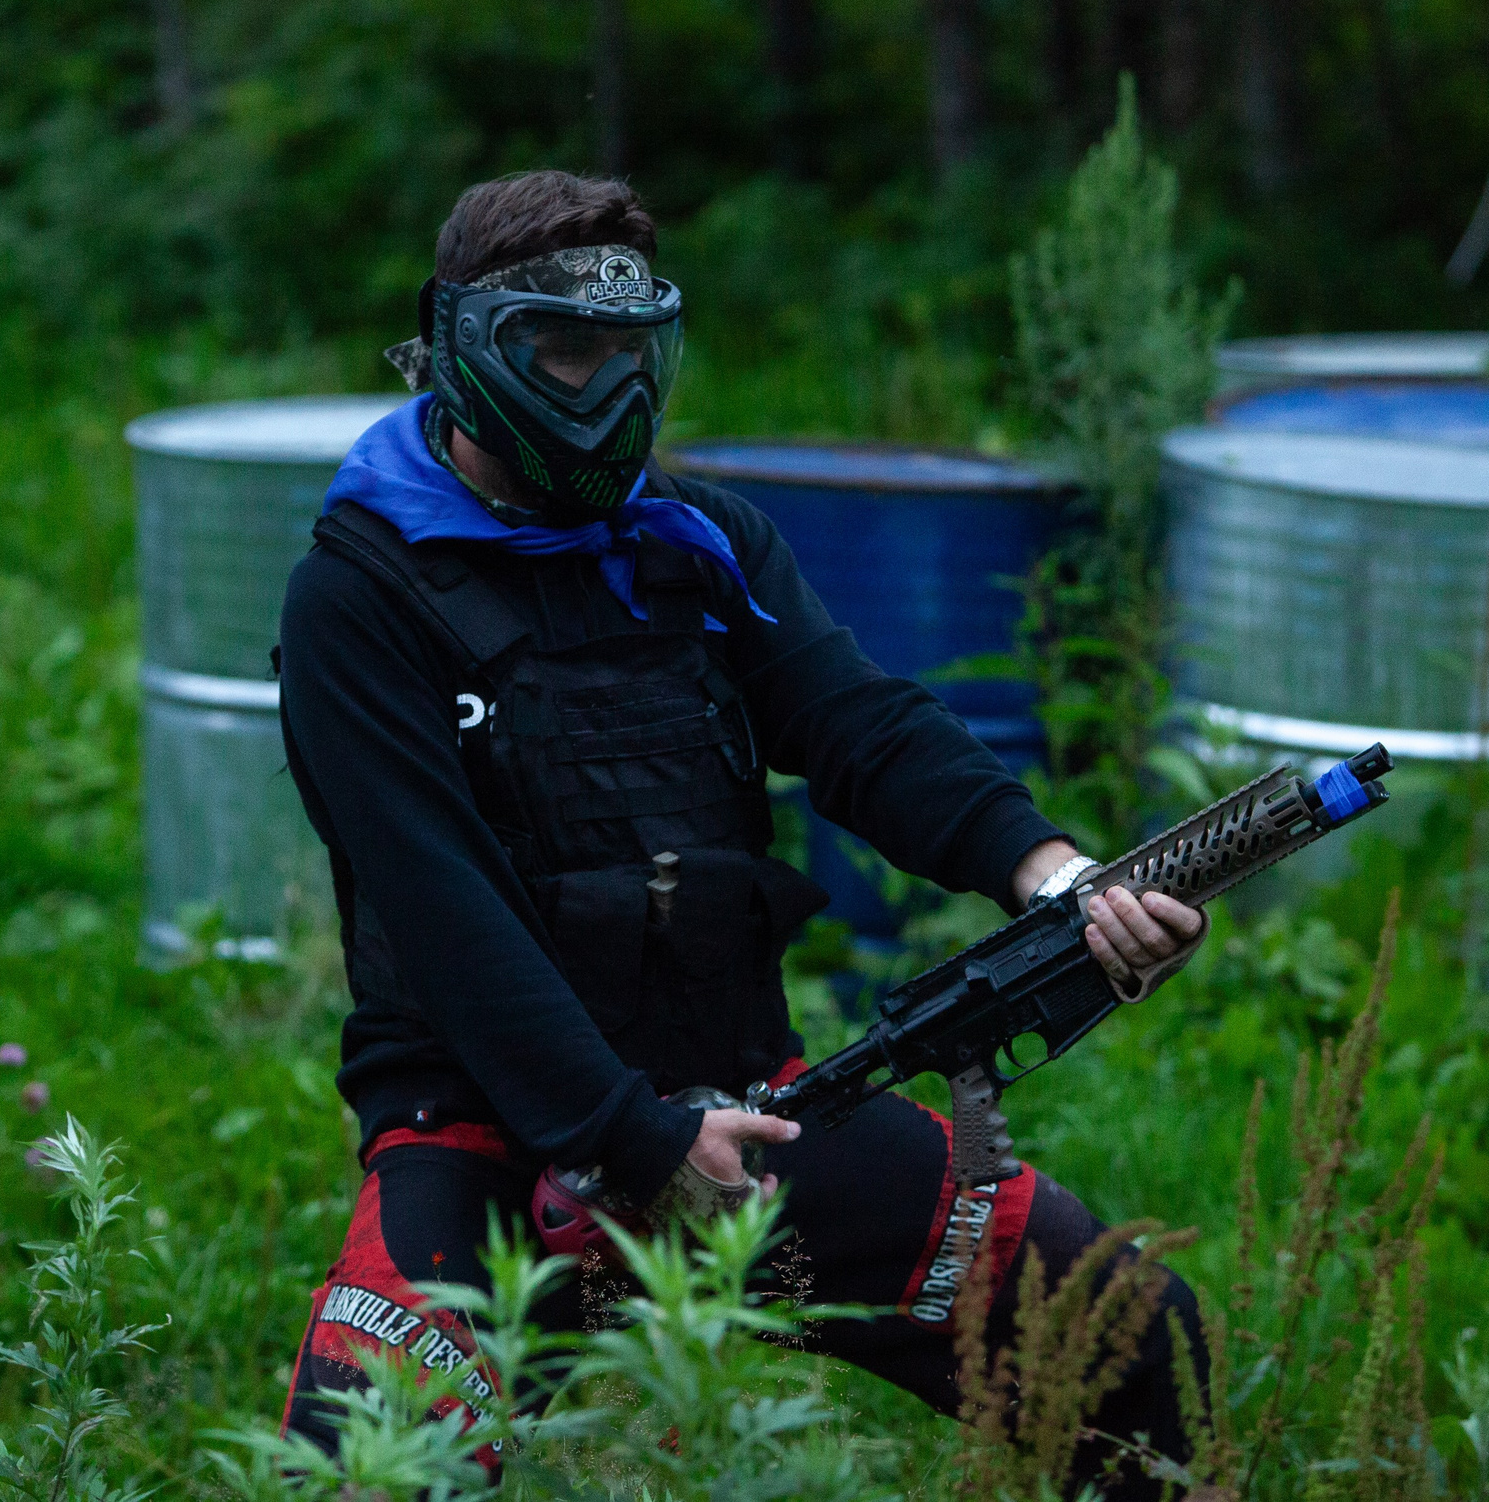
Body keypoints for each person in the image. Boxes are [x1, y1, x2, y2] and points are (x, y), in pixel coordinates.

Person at [276, 170, 1208, 1491]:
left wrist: (1052, 873)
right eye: (562, 349)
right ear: (468, 345)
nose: (603, 388)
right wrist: (637, 1143)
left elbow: (860, 727)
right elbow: (443, 913)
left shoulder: (702, 544)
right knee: (363, 1473)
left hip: (753, 1110)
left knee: (1131, 1340)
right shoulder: (359, 595)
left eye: (629, 350)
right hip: (488, 1135)